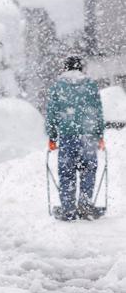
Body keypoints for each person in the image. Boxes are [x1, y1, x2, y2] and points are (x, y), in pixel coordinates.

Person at [46, 56, 105, 221]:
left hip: (67, 136)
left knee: (66, 173)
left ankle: (68, 209)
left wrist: (52, 136)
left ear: (66, 68)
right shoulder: (90, 85)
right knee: (88, 171)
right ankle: (85, 206)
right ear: (81, 68)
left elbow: (52, 112)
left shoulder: (58, 86)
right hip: (88, 136)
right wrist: (99, 135)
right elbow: (97, 111)